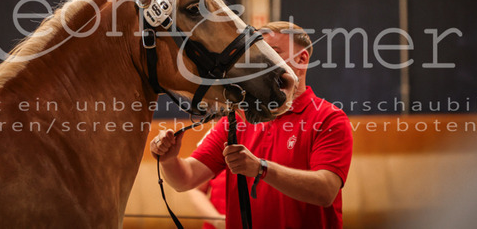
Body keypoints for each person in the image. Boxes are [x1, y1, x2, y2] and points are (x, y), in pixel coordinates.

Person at [150, 21, 353, 229]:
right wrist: (168, 160)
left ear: (301, 60)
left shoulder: (329, 118)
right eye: (256, 56)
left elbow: (326, 191)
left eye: (273, 53)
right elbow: (185, 180)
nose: (260, 64)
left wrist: (261, 168)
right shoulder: (238, 118)